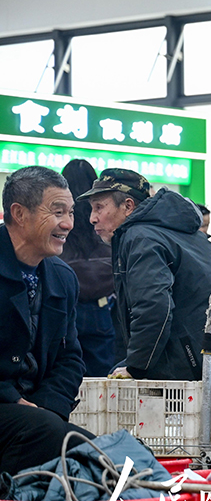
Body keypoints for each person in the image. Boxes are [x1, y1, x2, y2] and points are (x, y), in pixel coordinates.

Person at [82, 168, 211, 380]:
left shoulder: (140, 237)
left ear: (128, 206)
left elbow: (154, 308)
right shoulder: (173, 227)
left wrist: (136, 367)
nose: (92, 218)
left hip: (195, 361)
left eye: (99, 208)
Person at [0, 166, 91, 475]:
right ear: (19, 213)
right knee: (70, 444)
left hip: (37, 415)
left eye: (71, 212)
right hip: (9, 408)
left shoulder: (62, 278)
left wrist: (47, 406)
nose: (68, 224)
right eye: (57, 212)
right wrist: (12, 398)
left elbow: (71, 357)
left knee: (107, 454)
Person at [60, 160, 117, 377]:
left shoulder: (62, 215)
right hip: (100, 307)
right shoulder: (101, 216)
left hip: (65, 305)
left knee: (64, 369)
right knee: (100, 376)